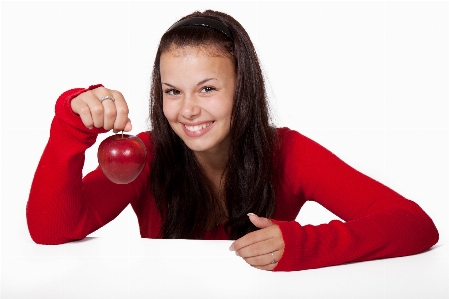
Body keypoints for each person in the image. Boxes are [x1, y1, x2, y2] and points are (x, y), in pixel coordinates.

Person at [26, 10, 439, 272]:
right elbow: (51, 229)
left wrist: (305, 244)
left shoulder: (289, 153)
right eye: (173, 91)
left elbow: (414, 225)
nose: (187, 111)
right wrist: (70, 126)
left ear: (243, 89)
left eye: (207, 89)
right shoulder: (147, 154)